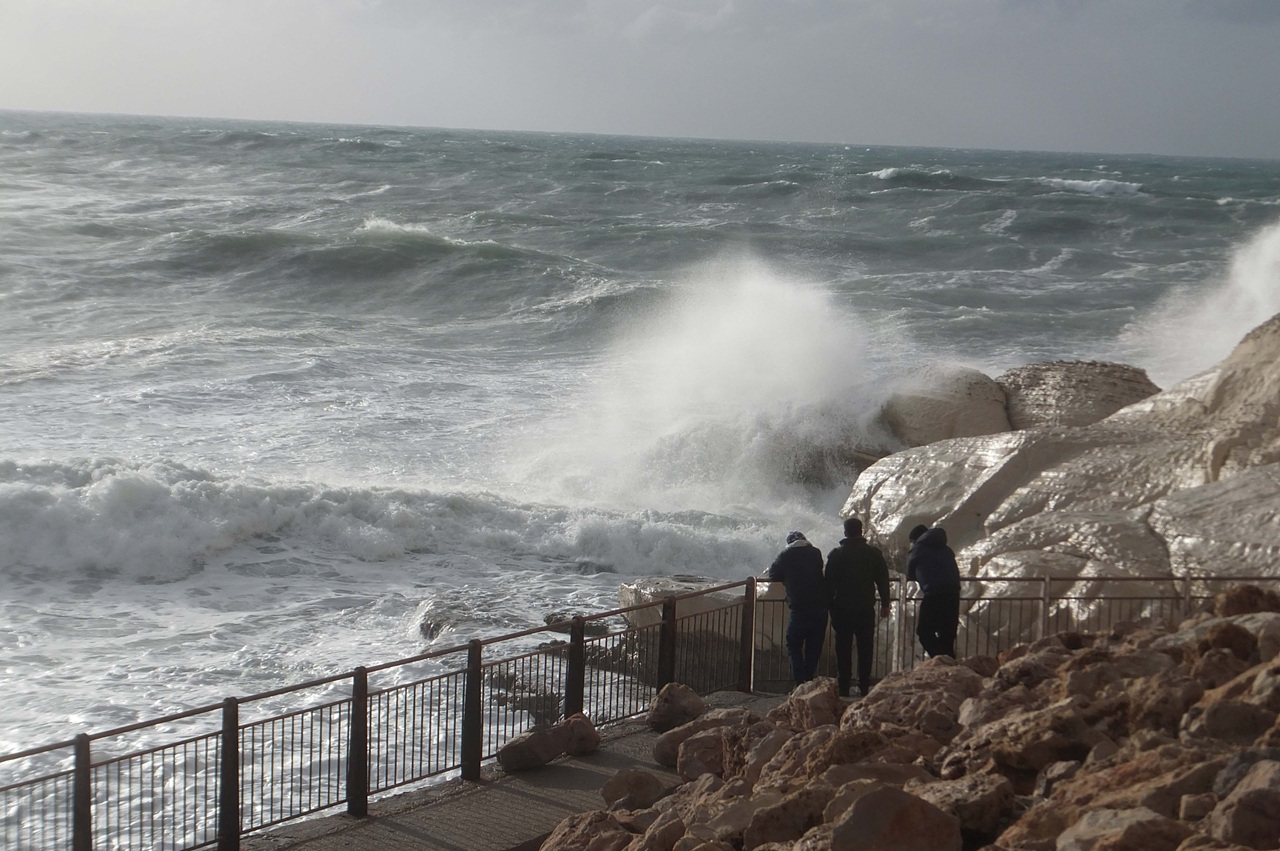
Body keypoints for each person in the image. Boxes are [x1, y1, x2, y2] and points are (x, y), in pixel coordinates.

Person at [823, 517, 891, 697]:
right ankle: (864, 686)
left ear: (845, 532)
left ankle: (844, 686)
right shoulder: (873, 553)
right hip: (865, 607)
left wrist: (828, 605)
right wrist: (885, 603)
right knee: (865, 647)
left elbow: (828, 583)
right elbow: (883, 580)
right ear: (861, 531)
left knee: (843, 648)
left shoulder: (836, 554)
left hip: (842, 609)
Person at [767, 531, 828, 686]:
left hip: (800, 608)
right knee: (814, 646)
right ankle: (809, 678)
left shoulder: (786, 554)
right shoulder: (815, 552)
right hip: (820, 607)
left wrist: (787, 577)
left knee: (793, 643)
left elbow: (773, 574)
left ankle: (800, 681)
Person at [907, 524, 961, 658]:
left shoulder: (917, 550)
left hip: (934, 593)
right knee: (947, 636)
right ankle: (951, 669)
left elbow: (910, 573)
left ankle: (941, 661)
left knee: (924, 632)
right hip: (953, 593)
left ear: (915, 540)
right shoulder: (946, 549)